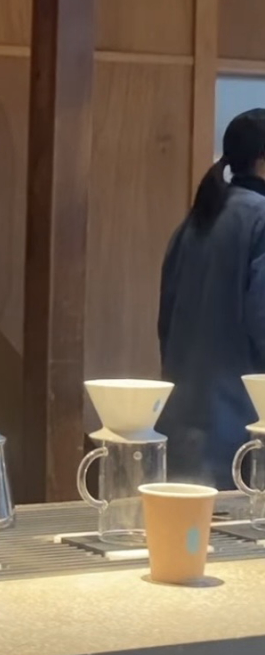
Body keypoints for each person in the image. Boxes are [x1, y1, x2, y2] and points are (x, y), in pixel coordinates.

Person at [158, 108, 265, 488]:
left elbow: (166, 324)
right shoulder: (260, 218)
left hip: (180, 427)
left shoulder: (195, 220)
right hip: (244, 433)